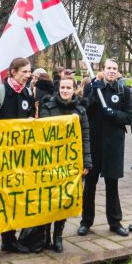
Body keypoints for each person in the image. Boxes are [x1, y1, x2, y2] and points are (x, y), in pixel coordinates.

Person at [0, 57, 36, 261]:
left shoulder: (27, 93)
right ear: (12, 71)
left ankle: (9, 239)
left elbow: (30, 116)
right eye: (24, 71)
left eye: (29, 71)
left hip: (18, 158)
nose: (28, 75)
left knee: (13, 199)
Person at [79, 59, 132, 237]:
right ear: (102, 70)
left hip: (113, 145)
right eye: (108, 68)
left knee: (112, 184)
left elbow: (129, 116)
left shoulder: (123, 90)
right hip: (94, 143)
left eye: (114, 69)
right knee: (90, 185)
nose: (111, 71)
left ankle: (115, 222)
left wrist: (114, 114)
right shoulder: (92, 88)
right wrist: (94, 93)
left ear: (118, 72)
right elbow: (84, 109)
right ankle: (86, 221)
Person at [39, 76, 92, 252]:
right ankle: (45, 236)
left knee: (64, 200)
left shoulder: (81, 110)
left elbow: (85, 137)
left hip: (70, 164)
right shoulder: (48, 107)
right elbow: (44, 134)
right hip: (51, 162)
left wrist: (86, 162)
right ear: (58, 88)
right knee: (49, 200)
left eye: (69, 87)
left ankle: (58, 236)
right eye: (62, 87)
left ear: (74, 89)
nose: (65, 90)